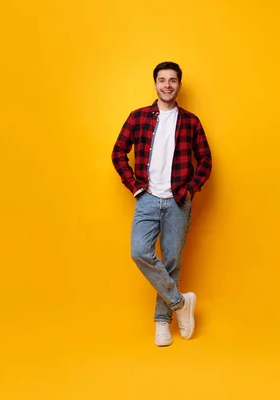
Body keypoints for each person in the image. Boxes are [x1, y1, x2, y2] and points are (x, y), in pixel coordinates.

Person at [111, 61, 212, 346]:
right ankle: (181, 304)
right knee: (139, 251)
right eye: (162, 80)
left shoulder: (191, 121)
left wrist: (191, 189)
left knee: (171, 262)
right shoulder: (139, 117)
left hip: (178, 201)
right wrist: (134, 186)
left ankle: (162, 321)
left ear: (179, 85)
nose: (167, 85)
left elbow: (205, 159)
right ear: (155, 83)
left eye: (172, 81)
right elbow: (118, 151)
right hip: (147, 199)